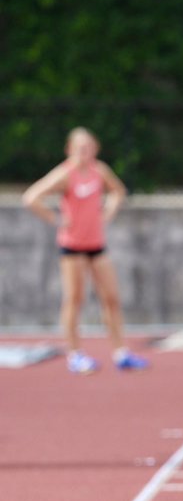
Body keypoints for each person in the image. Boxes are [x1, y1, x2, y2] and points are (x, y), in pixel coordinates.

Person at [22, 127, 149, 374]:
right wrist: (55, 218)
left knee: (111, 298)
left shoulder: (99, 171)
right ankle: (75, 354)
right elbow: (31, 197)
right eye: (80, 148)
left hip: (96, 245)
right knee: (75, 299)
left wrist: (109, 212)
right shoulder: (65, 174)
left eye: (89, 147)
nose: (85, 152)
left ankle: (120, 351)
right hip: (73, 247)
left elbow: (118, 191)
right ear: (70, 149)